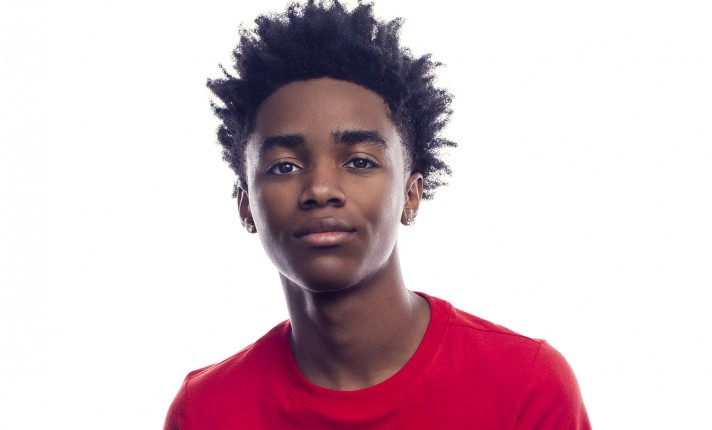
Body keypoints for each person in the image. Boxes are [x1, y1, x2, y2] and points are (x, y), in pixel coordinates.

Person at [164, 1, 591, 428]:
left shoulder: (525, 385)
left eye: (359, 162)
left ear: (411, 194)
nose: (320, 189)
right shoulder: (205, 411)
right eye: (284, 167)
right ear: (245, 204)